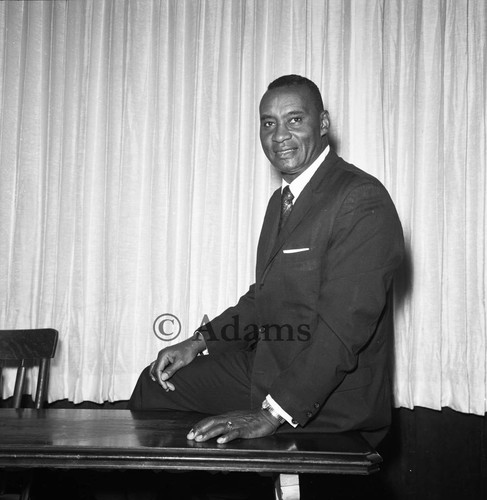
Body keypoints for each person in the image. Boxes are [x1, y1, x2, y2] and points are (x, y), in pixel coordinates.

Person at [129, 74, 404, 448]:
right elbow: (266, 296)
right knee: (155, 384)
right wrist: (199, 341)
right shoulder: (283, 200)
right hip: (271, 366)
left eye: (295, 119)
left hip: (330, 397)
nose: (280, 136)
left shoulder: (360, 198)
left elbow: (343, 330)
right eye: (269, 123)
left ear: (322, 123)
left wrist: (270, 413)